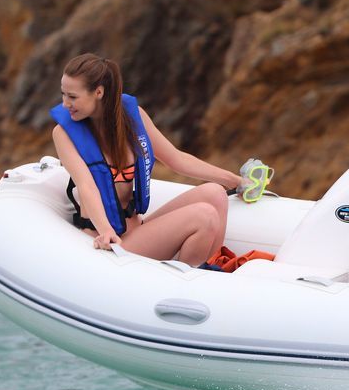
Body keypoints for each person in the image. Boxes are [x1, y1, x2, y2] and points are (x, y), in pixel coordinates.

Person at [50, 53, 244, 266]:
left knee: (216, 194)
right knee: (204, 216)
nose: (65, 104)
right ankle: (188, 280)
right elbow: (87, 186)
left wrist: (234, 181)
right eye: (63, 94)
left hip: (138, 229)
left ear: (98, 92)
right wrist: (106, 231)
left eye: (72, 97)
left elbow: (176, 159)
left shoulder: (133, 118)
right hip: (110, 243)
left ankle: (208, 267)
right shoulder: (64, 133)